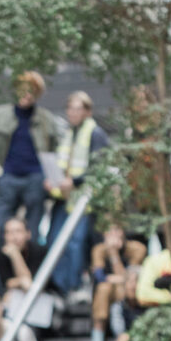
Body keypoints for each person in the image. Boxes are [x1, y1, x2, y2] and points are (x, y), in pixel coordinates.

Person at [0, 70, 57, 288]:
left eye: (32, 91)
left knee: (31, 236)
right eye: (23, 89)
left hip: (35, 179)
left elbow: (54, 152)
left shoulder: (46, 119)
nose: (27, 94)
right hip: (8, 179)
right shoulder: (0, 114)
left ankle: (34, 283)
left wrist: (49, 178)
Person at [46, 92, 109, 299]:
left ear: (87, 111)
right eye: (70, 108)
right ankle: (59, 286)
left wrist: (74, 181)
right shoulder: (68, 133)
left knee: (76, 242)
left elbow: (100, 166)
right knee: (55, 240)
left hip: (84, 200)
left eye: (77, 108)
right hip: (62, 198)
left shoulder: (96, 133)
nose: (73, 113)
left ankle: (74, 285)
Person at [90, 224, 148, 341]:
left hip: (132, 290)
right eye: (109, 231)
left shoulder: (137, 248)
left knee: (123, 289)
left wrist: (114, 255)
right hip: (110, 292)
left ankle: (124, 338)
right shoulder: (99, 250)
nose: (113, 235)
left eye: (117, 229)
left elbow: (132, 276)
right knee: (103, 289)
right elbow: (100, 277)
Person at [0, 216, 47, 296]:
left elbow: (30, 284)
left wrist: (15, 255)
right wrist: (20, 281)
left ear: (28, 234)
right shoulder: (2, 252)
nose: (14, 237)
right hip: (15, 295)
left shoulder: (39, 251)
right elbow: (7, 282)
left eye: (18, 231)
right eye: (9, 232)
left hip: (42, 295)